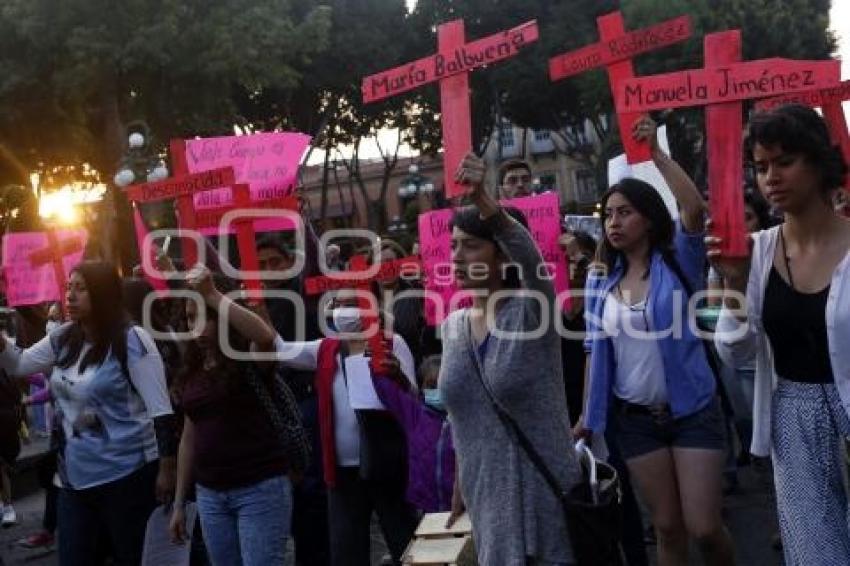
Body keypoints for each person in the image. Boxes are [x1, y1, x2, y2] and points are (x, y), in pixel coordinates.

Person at [578, 115, 734, 566]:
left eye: (624, 212)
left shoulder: (678, 259)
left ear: (648, 218)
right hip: (635, 420)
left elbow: (694, 210)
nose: (613, 222)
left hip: (693, 412)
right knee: (666, 528)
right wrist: (588, 416)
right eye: (607, 214)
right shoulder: (600, 283)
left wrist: (657, 155)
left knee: (704, 528)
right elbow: (593, 350)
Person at [710, 104, 850, 565]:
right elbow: (737, 351)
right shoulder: (758, 250)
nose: (770, 177)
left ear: (818, 161)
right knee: (815, 554)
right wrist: (732, 282)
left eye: (784, 162)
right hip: (792, 418)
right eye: (761, 166)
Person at [442, 152, 580, 564]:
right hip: (484, 496)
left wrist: (484, 198)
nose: (457, 257)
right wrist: (459, 479)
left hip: (543, 493)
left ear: (501, 256)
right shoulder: (452, 327)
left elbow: (531, 257)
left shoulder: (532, 310)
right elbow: (461, 417)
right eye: (453, 247)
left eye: (470, 247)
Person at [0, 261, 177, 565]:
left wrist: (167, 469)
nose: (70, 295)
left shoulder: (132, 340)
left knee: (135, 557)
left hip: (129, 477)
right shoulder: (63, 337)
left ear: (104, 293)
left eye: (81, 289)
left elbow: (161, 411)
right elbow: (19, 364)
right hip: (75, 483)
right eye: (69, 287)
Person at [273, 289, 419, 566]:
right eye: (338, 304)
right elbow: (279, 350)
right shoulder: (325, 349)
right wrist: (257, 307)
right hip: (341, 473)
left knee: (405, 545)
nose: (343, 311)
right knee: (346, 551)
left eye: (351, 304)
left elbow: (414, 399)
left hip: (387, 467)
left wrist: (397, 375)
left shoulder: (392, 343)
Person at [168, 265, 296, 565]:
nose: (197, 328)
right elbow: (189, 437)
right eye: (190, 317)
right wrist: (178, 504)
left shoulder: (247, 359)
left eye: (205, 317)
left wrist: (211, 294)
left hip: (260, 490)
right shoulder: (192, 368)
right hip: (211, 495)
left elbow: (265, 337)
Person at [256, 234, 330, 566]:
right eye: (261, 265)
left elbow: (314, 261)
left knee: (311, 491)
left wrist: (303, 221)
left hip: (306, 405)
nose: (269, 270)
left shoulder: (304, 296)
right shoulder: (252, 305)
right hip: (270, 413)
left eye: (275, 262)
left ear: (289, 264)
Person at [370, 354, 454, 513]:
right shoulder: (415, 415)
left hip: (461, 506)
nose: (437, 390)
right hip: (425, 505)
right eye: (431, 385)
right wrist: (376, 361)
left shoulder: (465, 420)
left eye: (442, 384)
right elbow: (387, 391)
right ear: (422, 389)